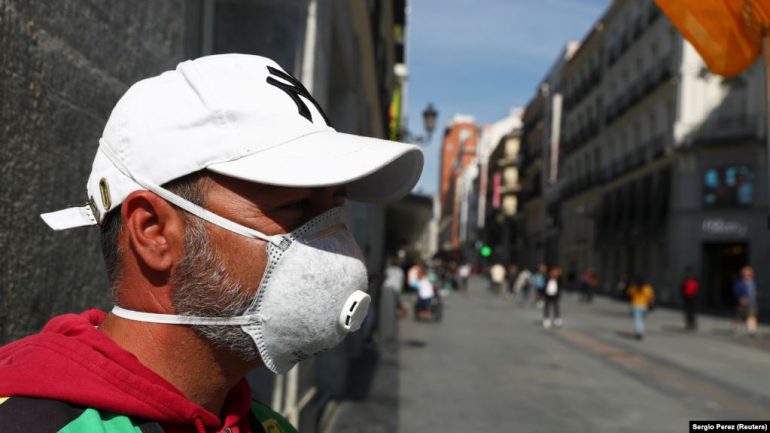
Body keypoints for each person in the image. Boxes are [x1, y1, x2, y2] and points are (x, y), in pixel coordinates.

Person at [0, 54, 423, 432]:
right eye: (295, 205)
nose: (336, 246)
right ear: (153, 232)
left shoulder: (265, 425)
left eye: (336, 207)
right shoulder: (26, 422)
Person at [733, 266, 758, 336]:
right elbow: (735, 291)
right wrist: (740, 298)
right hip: (741, 302)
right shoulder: (739, 283)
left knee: (752, 316)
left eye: (750, 274)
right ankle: (737, 327)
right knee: (738, 316)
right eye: (746, 275)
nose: (748, 276)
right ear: (742, 274)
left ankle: (752, 330)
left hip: (752, 302)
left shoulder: (753, 282)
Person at [681, 266, 699, 331]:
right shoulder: (687, 280)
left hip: (691, 297)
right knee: (689, 312)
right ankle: (690, 324)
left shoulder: (688, 280)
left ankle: (691, 324)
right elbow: (682, 288)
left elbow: (682, 288)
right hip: (689, 297)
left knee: (690, 312)